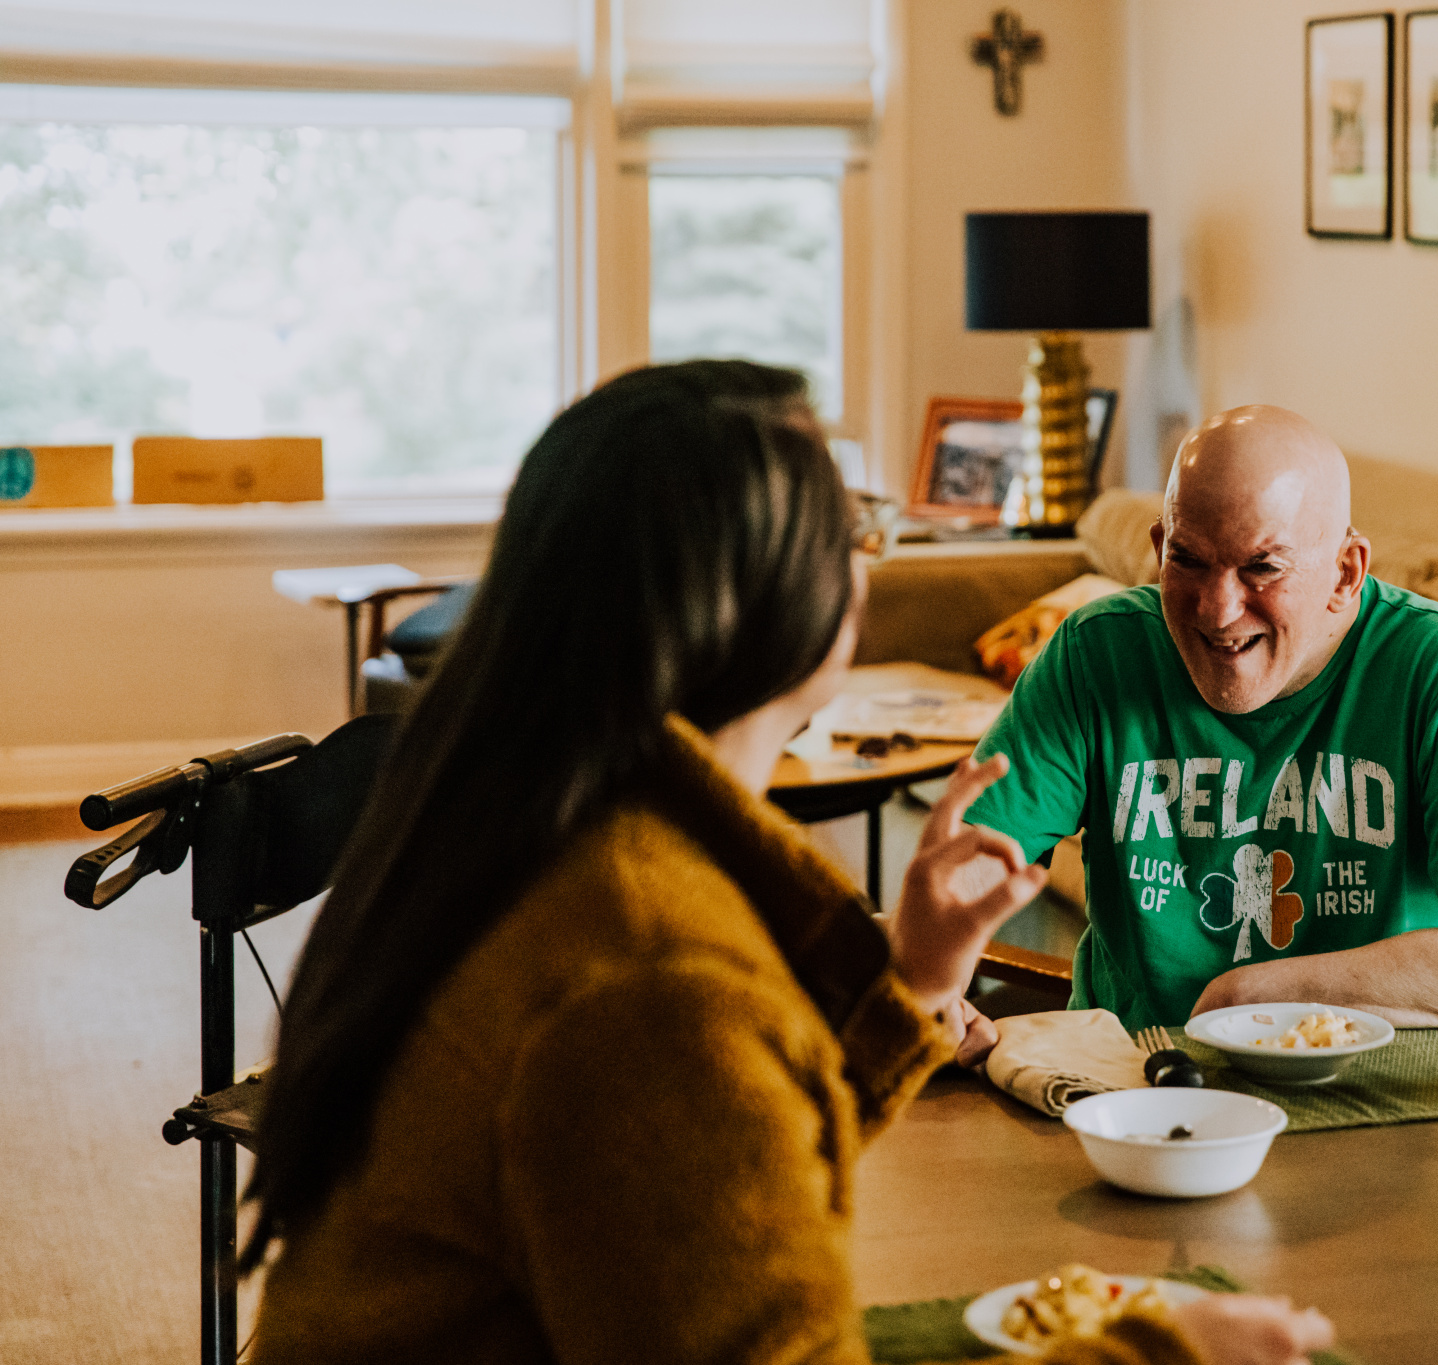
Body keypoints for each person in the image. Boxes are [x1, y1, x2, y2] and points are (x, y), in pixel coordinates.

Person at [240, 362, 1331, 1365]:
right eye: (845, 529)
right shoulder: (652, 979)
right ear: (776, 607)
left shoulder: (539, 818)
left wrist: (906, 986)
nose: (867, 561)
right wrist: (1160, 1352)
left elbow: (701, 1184)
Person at [962, 405, 1438, 1037]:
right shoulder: (1096, 654)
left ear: (1345, 572)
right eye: (1188, 560)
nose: (1217, 611)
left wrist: (1245, 996)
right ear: (1160, 549)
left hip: (1371, 1087)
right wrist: (931, 987)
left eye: (1262, 567)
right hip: (1135, 1087)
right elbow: (964, 868)